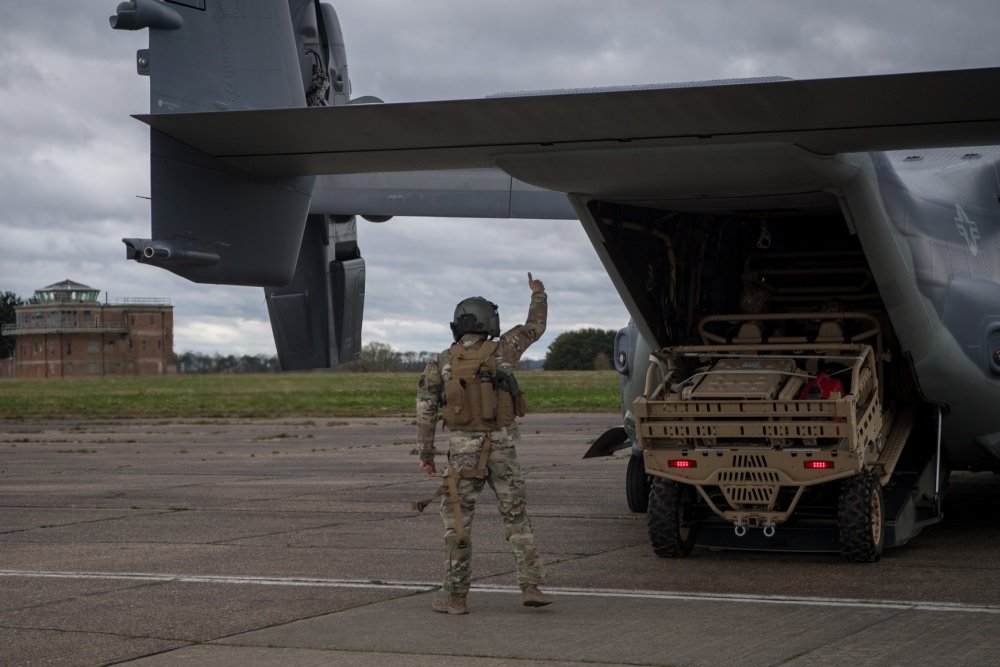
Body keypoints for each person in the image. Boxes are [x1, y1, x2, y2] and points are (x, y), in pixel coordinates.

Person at [415, 272, 553, 614]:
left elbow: (426, 409)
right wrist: (539, 294)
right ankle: (530, 584)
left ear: (458, 325)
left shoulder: (441, 361)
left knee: (458, 522)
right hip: (502, 450)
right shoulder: (504, 349)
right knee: (516, 517)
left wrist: (427, 454)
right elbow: (535, 326)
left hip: (462, 456)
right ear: (489, 322)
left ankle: (456, 598)